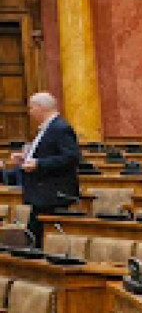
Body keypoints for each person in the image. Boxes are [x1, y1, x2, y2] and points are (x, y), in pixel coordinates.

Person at [10, 92, 80, 249]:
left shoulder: (60, 128)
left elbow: (71, 158)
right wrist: (26, 159)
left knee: (37, 240)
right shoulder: (48, 127)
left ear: (41, 107)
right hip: (42, 194)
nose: (30, 112)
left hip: (53, 194)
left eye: (31, 108)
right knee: (32, 239)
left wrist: (39, 164)